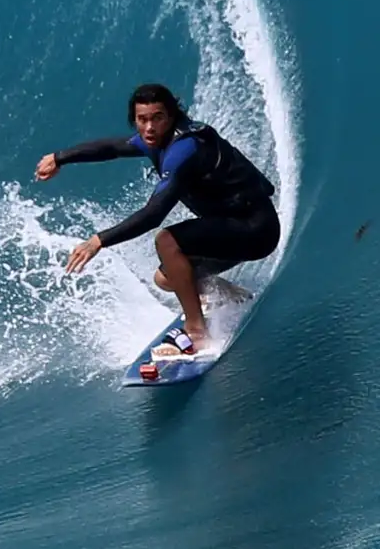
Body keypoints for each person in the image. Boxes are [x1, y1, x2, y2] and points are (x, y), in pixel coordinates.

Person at [34, 82, 282, 356]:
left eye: (157, 118)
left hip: (255, 229)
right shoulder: (157, 139)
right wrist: (60, 158)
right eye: (142, 120)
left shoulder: (184, 149)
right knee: (167, 278)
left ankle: (196, 333)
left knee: (167, 240)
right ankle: (230, 295)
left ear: (171, 116)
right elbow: (112, 148)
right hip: (232, 231)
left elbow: (154, 214)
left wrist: (98, 241)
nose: (149, 127)